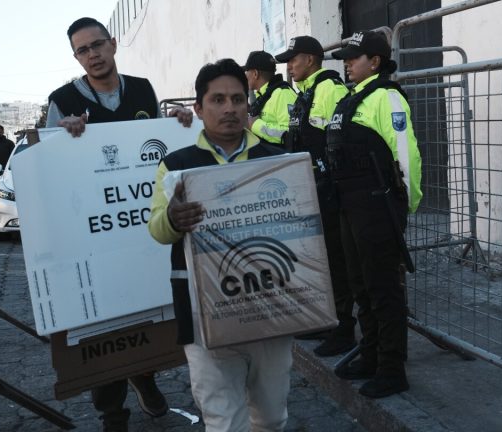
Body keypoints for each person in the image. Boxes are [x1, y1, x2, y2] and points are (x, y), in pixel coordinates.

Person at [45, 17, 192, 431]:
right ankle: (112, 413)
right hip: (92, 231)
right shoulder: (62, 100)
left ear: (112, 44)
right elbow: (48, 163)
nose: (92, 55)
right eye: (82, 50)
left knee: (145, 305)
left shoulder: (143, 89)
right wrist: (60, 135)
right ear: (76, 57)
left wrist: (180, 123)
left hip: (141, 226)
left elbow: (160, 148)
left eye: (97, 45)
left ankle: (144, 377)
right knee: (103, 319)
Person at [148, 58, 291, 432]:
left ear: (248, 104)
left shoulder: (278, 161)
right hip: (204, 312)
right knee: (224, 422)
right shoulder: (176, 166)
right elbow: (158, 229)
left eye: (237, 99)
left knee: (272, 417)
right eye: (217, 100)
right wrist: (173, 219)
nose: (229, 108)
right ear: (198, 108)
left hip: (271, 307)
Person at [326, 31, 422, 399]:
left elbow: (405, 154)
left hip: (378, 206)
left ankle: (392, 369)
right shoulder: (352, 98)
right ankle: (370, 356)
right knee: (361, 286)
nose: (348, 64)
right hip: (351, 206)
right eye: (346, 58)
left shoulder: (387, 97)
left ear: (376, 61)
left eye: (355, 57)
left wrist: (405, 204)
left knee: (383, 289)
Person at [274, 36, 356, 357]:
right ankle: (327, 320)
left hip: (330, 191)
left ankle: (344, 329)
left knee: (337, 259)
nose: (289, 67)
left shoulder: (330, 89)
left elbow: (342, 140)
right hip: (311, 188)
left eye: (292, 60)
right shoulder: (305, 93)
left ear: (310, 59)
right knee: (320, 259)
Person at [242, 50, 296, 144]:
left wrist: (255, 125)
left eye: (247, 72)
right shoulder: (264, 95)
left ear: (255, 74)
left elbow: (290, 134)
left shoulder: (283, 94)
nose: (245, 76)